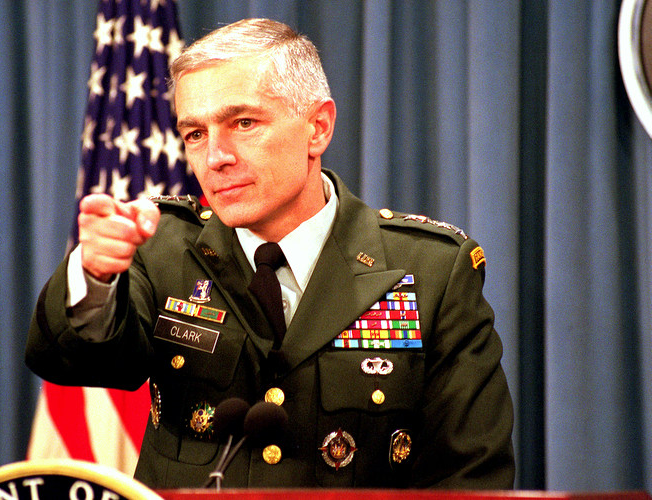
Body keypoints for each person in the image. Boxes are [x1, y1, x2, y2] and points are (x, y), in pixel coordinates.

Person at [26, 18, 515, 489]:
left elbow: (469, 476)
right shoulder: (161, 249)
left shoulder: (432, 271)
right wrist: (94, 276)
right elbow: (73, 362)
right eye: (195, 134)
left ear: (317, 128)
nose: (215, 157)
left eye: (243, 122)